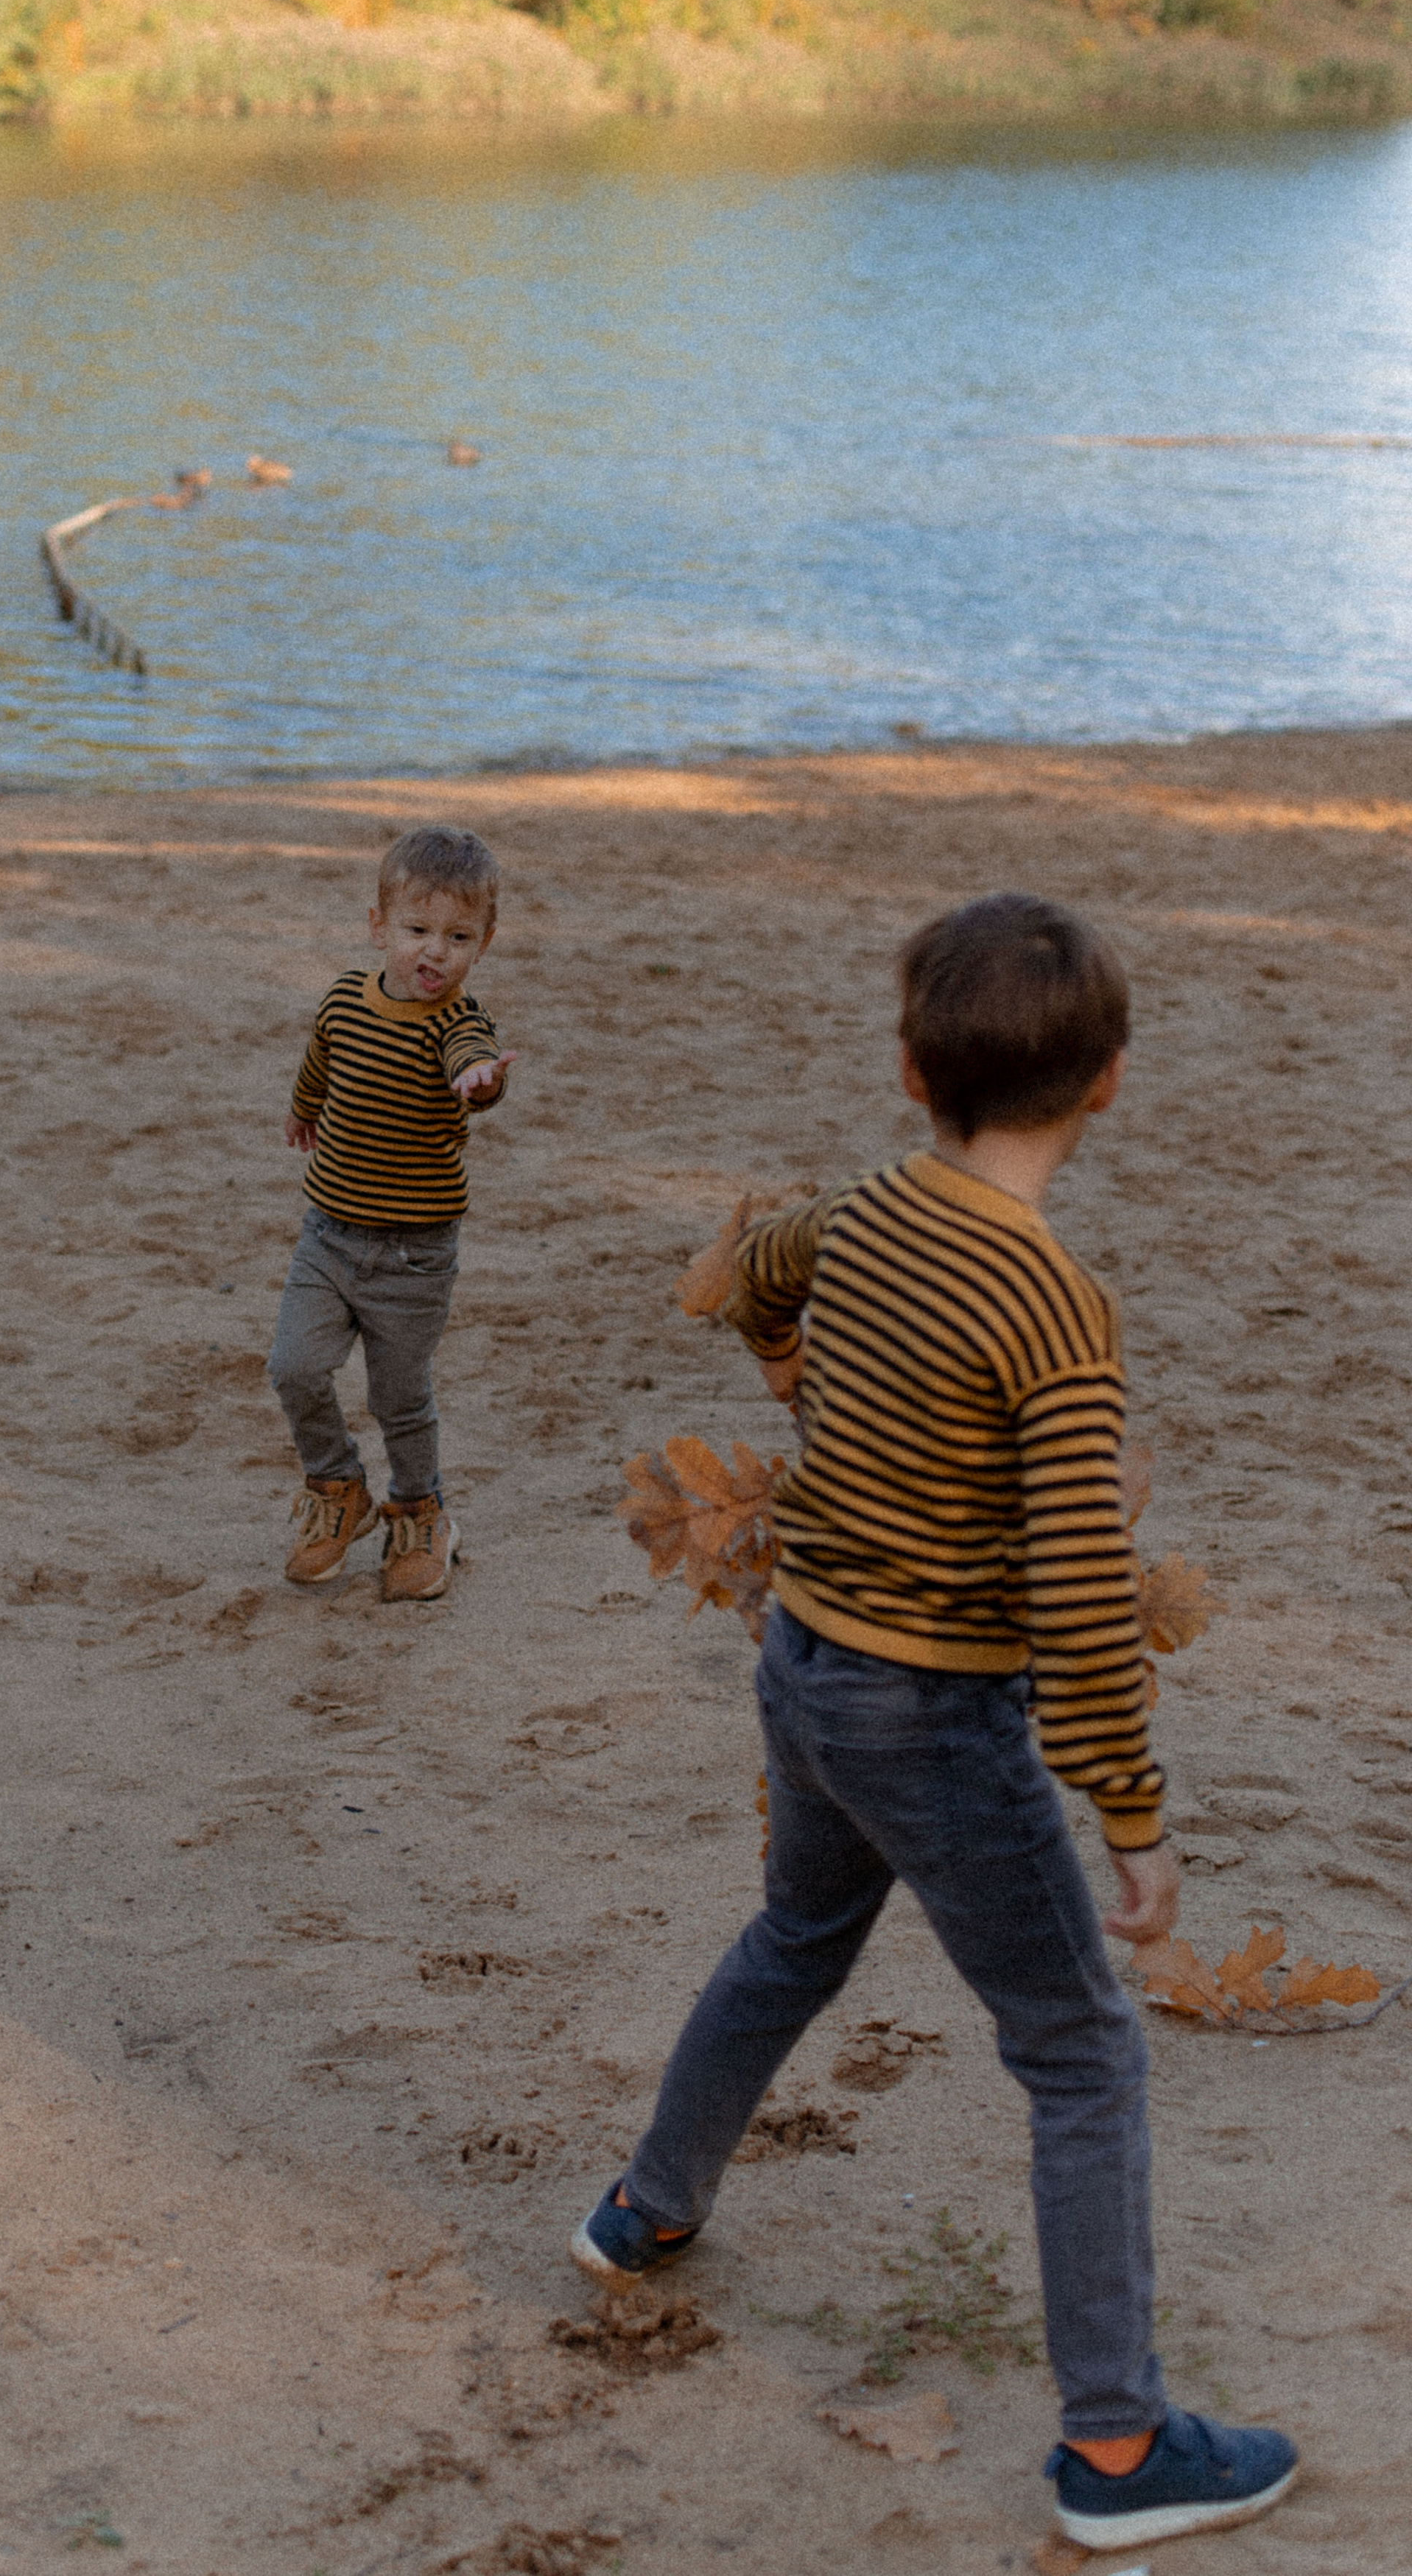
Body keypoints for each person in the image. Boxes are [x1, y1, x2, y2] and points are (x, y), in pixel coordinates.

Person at [571, 892, 1298, 2553]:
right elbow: (1070, 1593)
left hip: (805, 1669)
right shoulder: (1053, 1304)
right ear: (1107, 1082)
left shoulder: (874, 1206)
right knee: (1079, 2048)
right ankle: (1114, 2450)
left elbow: (755, 1264)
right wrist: (1131, 1812)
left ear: (910, 1074)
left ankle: (642, 2210)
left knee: (792, 1933)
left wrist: (786, 1365)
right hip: (929, 1716)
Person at [266, 827, 516, 1603]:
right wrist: (305, 1108)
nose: (432, 952)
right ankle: (338, 1488)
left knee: (397, 1396)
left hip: (413, 1253)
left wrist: (481, 1081)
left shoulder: (457, 1024)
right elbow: (322, 1054)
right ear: (380, 926)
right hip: (328, 1236)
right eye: (416, 931)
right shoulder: (345, 996)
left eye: (456, 937)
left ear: (483, 942)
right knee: (294, 1365)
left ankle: (418, 1509)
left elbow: (471, 1061)